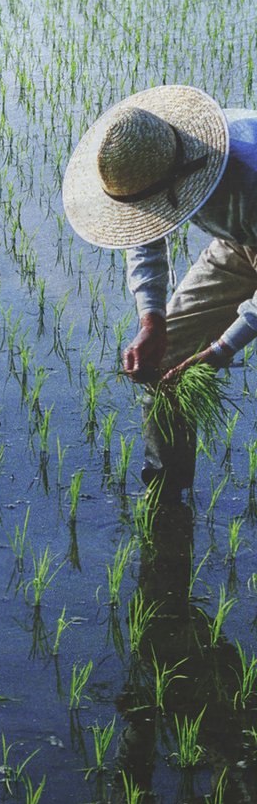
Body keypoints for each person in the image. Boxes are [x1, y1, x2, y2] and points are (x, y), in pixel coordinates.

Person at [62, 85, 257, 500]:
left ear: (180, 173)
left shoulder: (250, 167)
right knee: (167, 360)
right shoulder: (151, 165)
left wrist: (224, 347)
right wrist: (152, 320)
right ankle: (166, 491)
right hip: (242, 241)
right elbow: (145, 232)